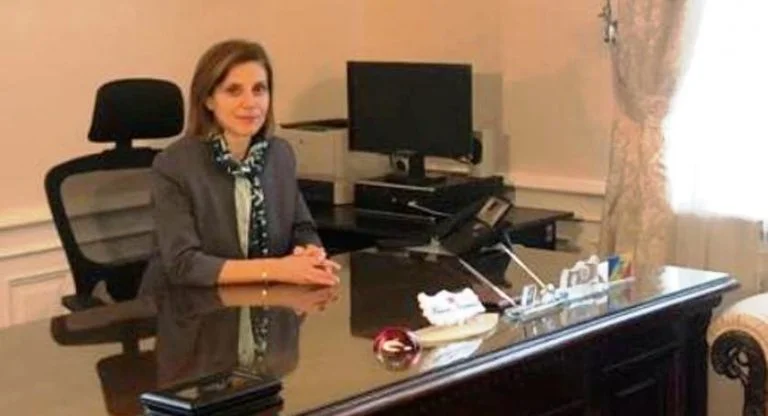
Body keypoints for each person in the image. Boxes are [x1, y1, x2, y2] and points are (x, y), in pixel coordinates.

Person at [140, 39, 340, 291]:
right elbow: (184, 264)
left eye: (259, 89)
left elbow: (301, 228)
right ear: (208, 100)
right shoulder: (174, 165)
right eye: (234, 91)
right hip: (191, 305)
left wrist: (310, 254)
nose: (250, 103)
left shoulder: (279, 155)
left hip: (262, 298)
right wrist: (277, 269)